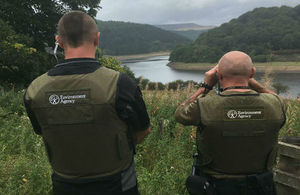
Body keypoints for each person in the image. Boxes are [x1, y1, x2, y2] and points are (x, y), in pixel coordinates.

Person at [24, 11, 150, 195]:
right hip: (118, 185)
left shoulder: (35, 90)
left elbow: (42, 131)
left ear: (59, 41)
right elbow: (143, 131)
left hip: (64, 185)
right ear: (96, 39)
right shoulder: (120, 84)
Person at [175, 51, 286, 195]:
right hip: (262, 186)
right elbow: (280, 101)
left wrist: (205, 87)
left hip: (217, 186)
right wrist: (258, 86)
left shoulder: (204, 106)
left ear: (219, 75)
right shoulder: (275, 104)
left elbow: (180, 113)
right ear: (252, 73)